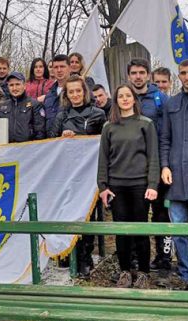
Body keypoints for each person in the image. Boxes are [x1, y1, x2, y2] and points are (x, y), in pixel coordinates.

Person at [97, 84, 159, 289]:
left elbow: (153, 157)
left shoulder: (146, 124)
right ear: (116, 101)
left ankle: (143, 273)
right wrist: (103, 186)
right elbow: (103, 159)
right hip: (116, 186)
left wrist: (152, 184)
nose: (124, 99)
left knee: (140, 230)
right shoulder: (109, 127)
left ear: (134, 99)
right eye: (120, 96)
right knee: (121, 230)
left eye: (128, 95)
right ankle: (125, 271)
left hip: (140, 185)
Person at [49, 75, 106, 277]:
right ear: (66, 94)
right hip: (67, 174)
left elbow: (103, 143)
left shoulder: (98, 114)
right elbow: (51, 142)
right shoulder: (61, 115)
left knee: (88, 215)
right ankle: (68, 251)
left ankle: (85, 257)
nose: (75, 95)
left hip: (90, 174)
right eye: (71, 91)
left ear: (85, 92)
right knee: (68, 212)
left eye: (78, 91)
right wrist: (62, 137)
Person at [127, 58, 171, 276]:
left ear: (148, 75)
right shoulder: (124, 97)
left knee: (162, 215)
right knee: (137, 216)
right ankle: (135, 258)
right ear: (129, 76)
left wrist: (165, 164)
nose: (137, 76)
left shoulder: (159, 98)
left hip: (158, 164)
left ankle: (164, 259)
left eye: (141, 72)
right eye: (134, 72)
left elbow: (166, 133)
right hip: (134, 169)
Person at [160, 59, 188, 291]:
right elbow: (165, 138)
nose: (187, 76)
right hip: (177, 176)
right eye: (183, 73)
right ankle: (187, 277)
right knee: (178, 229)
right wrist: (165, 165)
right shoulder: (172, 103)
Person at [0, 71, 46, 142]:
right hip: (7, 150)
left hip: (28, 149)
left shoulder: (35, 105)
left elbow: (40, 132)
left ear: (24, 86)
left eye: (17, 84)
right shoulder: (1, 107)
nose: (14, 88)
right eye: (11, 85)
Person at [44, 54, 71, 136]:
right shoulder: (49, 94)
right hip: (51, 142)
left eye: (62, 66)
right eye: (56, 67)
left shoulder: (78, 91)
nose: (59, 70)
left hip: (70, 141)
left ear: (69, 68)